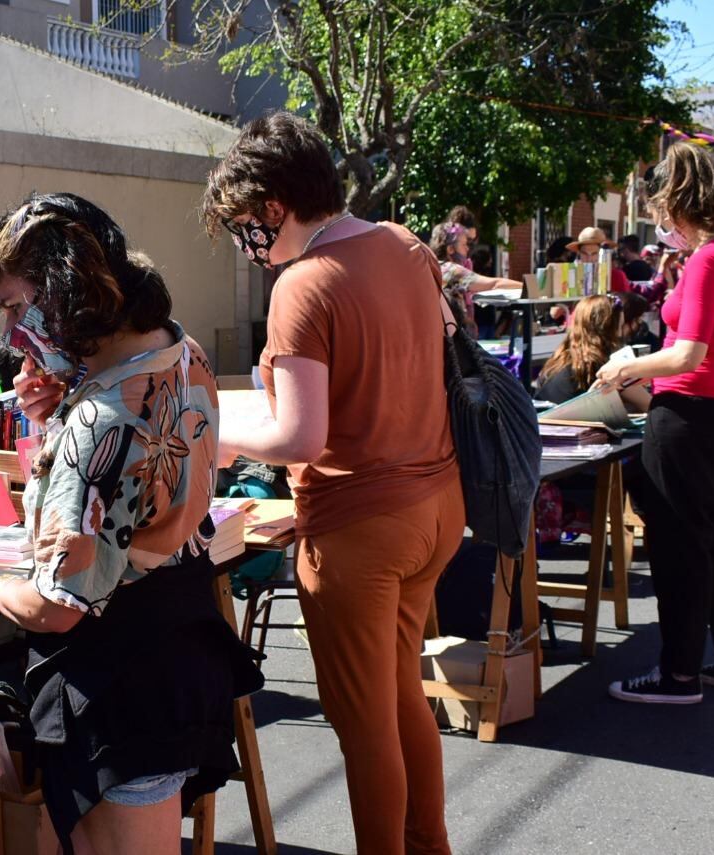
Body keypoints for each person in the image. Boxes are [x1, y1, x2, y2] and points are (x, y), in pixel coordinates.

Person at [0, 192, 263, 855]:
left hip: (119, 683)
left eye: (14, 306)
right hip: (178, 642)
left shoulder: (101, 420)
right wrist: (62, 414)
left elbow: (58, 605)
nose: (12, 333)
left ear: (65, 288)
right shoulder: (182, 350)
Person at [203, 111, 463, 854]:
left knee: (364, 720)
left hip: (359, 525)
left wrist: (217, 436)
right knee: (400, 690)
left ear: (274, 206)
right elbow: (428, 351)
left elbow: (298, 438)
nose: (247, 243)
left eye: (245, 224)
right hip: (435, 504)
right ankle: (428, 843)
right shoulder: (406, 245)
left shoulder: (302, 286)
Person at [597, 142, 714, 702]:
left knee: (680, 550)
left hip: (687, 415)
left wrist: (624, 366)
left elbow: (687, 353)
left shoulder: (709, 259)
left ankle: (679, 675)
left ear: (671, 202)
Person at [535, 294, 651, 412]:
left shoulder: (558, 358)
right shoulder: (605, 365)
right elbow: (646, 403)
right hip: (578, 426)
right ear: (609, 328)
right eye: (620, 327)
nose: (621, 333)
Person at [429, 221, 522, 336]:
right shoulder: (451, 270)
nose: (467, 249)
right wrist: (528, 287)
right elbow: (494, 284)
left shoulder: (433, 267)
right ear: (450, 249)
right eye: (463, 245)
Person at [567, 226, 632, 294]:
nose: (589, 259)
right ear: (579, 253)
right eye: (585, 253)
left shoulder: (617, 276)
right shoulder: (570, 274)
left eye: (594, 254)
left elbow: (626, 302)